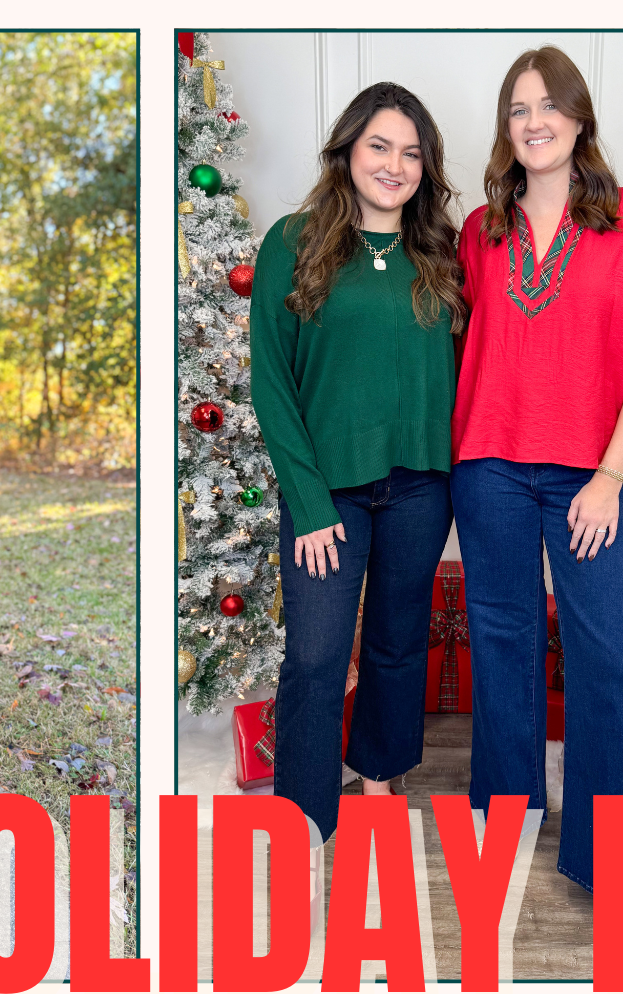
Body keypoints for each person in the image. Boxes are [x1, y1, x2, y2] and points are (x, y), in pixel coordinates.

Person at [450, 46, 623, 969]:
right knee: (501, 649)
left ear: (581, 118)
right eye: (518, 110)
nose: (534, 121)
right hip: (489, 469)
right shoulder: (482, 230)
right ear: (507, 130)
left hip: (590, 474)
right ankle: (505, 828)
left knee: (612, 667)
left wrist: (606, 476)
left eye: (550, 106)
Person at [248, 83, 461, 845]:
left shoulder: (443, 255)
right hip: (326, 495)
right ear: (346, 151)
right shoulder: (292, 243)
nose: (394, 165)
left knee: (399, 642)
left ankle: (380, 780)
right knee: (314, 655)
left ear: (426, 168)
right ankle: (304, 816)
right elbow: (270, 383)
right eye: (380, 146)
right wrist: (306, 504)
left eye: (411, 152)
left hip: (421, 488)